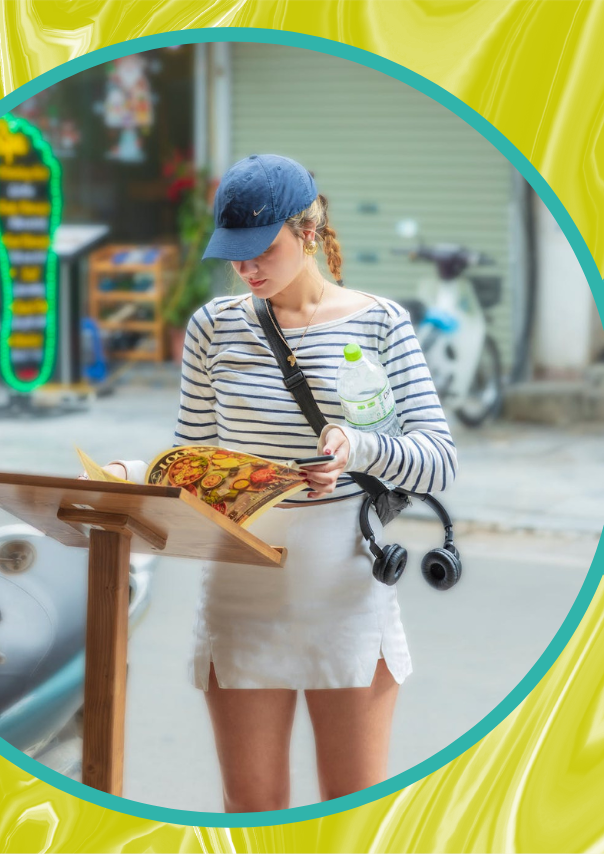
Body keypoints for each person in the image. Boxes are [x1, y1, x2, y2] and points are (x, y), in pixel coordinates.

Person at [96, 154, 457, 812]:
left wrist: (358, 448)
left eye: (262, 250)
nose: (247, 270)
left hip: (343, 586)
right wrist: (138, 476)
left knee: (349, 807)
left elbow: (438, 458)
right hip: (240, 588)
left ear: (309, 233)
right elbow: (195, 458)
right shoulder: (214, 328)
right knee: (252, 809)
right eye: (234, 256)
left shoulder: (380, 323)